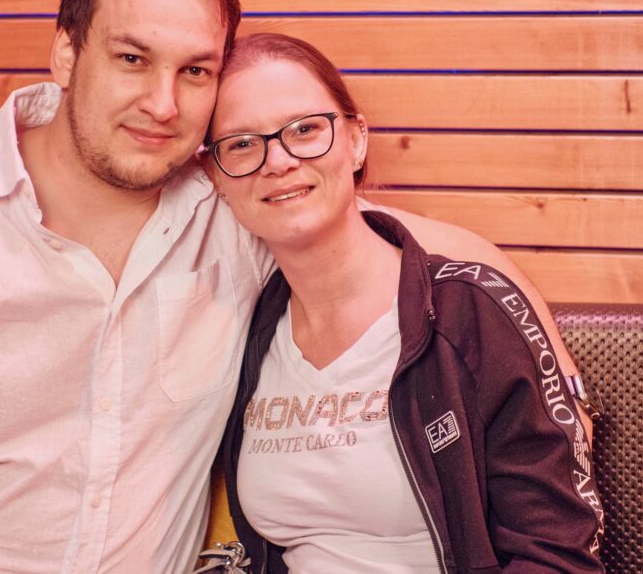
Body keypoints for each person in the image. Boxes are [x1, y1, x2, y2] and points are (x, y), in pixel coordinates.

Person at [0, 0, 590, 573]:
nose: (163, 104)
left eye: (194, 72)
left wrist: (558, 386)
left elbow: (409, 241)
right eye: (132, 59)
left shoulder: (229, 201)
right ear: (66, 53)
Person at [208, 33, 604, 573]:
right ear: (216, 176)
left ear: (356, 141)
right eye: (241, 144)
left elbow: (557, 555)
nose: (277, 160)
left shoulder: (467, 314)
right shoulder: (250, 331)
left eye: (305, 130)